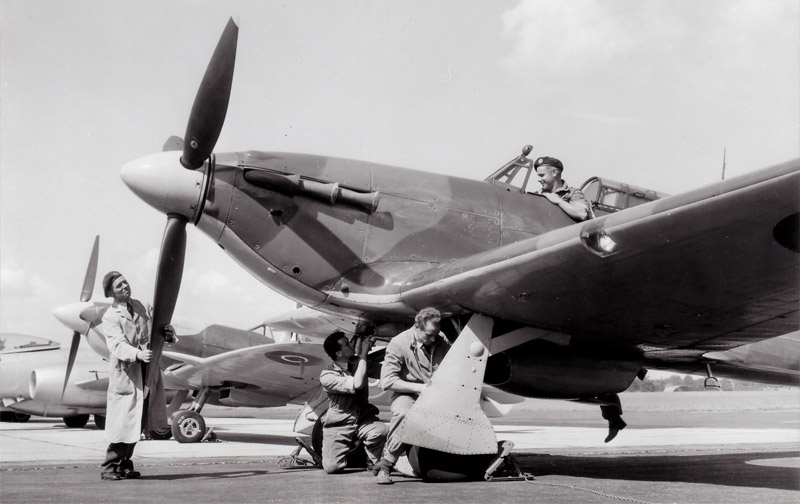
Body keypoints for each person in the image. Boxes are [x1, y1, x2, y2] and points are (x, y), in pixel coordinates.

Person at [99, 271, 174, 481]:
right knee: (123, 422)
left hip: (147, 372)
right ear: (111, 293)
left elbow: (155, 330)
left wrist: (168, 334)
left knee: (138, 422)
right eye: (119, 286)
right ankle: (109, 467)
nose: (125, 286)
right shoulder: (110, 316)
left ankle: (125, 464)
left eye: (125, 282)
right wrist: (138, 354)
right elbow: (117, 345)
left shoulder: (142, 307)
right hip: (127, 374)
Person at [373, 307, 451, 485]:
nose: (433, 339)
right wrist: (419, 388)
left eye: (436, 334)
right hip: (407, 394)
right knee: (404, 413)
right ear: (417, 327)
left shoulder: (441, 339)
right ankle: (387, 463)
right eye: (429, 334)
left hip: (436, 395)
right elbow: (387, 381)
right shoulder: (399, 343)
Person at [319, 332, 387, 474]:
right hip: (340, 423)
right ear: (338, 353)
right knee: (333, 468)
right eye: (347, 344)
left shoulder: (358, 364)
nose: (351, 344)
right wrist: (363, 354)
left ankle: (372, 460)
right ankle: (346, 452)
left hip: (363, 419)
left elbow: (385, 372)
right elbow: (357, 384)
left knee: (381, 431)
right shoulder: (327, 375)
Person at [533, 156, 593, 221]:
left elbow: (582, 214)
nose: (539, 180)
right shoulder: (538, 195)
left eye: (542, 175)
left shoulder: (572, 193)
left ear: (554, 172)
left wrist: (558, 201)